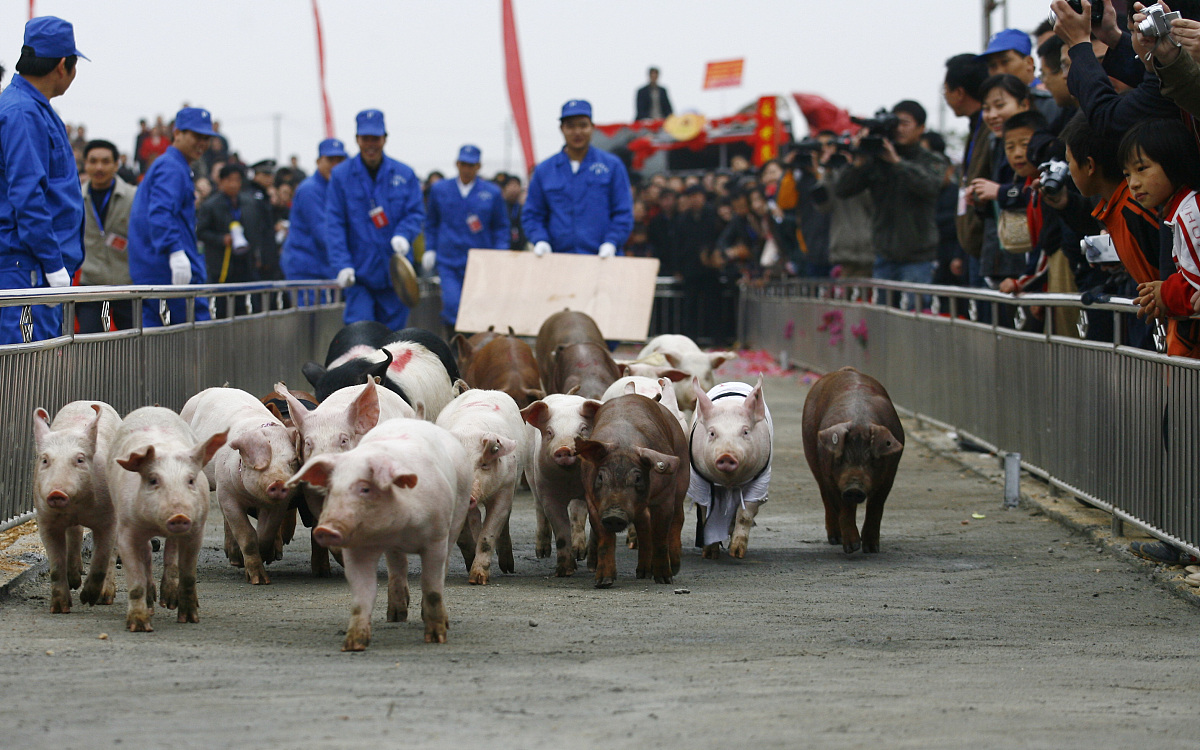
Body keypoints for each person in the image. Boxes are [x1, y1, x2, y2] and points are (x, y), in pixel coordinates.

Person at [0, 16, 87, 344]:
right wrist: (52, 262)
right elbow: (27, 195)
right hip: (28, 266)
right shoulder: (23, 112)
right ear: (63, 65)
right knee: (26, 376)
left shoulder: (32, 107)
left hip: (32, 263)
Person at [834, 100, 947, 299]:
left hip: (918, 257)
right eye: (896, 124)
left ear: (921, 128)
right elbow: (843, 190)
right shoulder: (876, 160)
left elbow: (930, 187)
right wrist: (859, 161)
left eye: (905, 123)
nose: (899, 129)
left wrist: (897, 162)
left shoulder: (931, 160)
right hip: (884, 255)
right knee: (884, 320)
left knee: (916, 315)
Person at [325, 109, 425, 329]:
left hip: (395, 275)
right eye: (365, 138)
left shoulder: (404, 174)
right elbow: (334, 223)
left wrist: (404, 235)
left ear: (385, 138)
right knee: (361, 337)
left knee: (394, 343)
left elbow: (415, 212)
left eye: (376, 138)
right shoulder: (341, 176)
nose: (371, 144)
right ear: (357, 139)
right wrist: (342, 265)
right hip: (359, 275)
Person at [127, 107, 214, 327]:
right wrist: (174, 250)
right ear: (177, 133)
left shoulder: (175, 166)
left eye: (206, 137)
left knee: (160, 344)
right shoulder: (171, 166)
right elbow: (160, 212)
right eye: (196, 136)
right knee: (188, 341)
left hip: (160, 268)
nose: (202, 143)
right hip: (166, 269)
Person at [523, 99, 633, 258]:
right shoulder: (544, 170)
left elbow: (623, 212)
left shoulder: (612, 166)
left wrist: (612, 242)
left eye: (583, 125)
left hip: (603, 259)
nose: (577, 132)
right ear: (562, 129)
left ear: (592, 128)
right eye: (570, 126)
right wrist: (540, 240)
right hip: (558, 260)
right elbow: (532, 214)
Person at [423, 145, 509, 332]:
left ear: (478, 166)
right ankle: (455, 344)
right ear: (457, 164)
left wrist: (500, 252)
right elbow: (431, 223)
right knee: (452, 303)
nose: (466, 169)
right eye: (463, 164)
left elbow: (501, 227)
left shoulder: (491, 193)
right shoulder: (440, 190)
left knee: (478, 306)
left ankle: (474, 346)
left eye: (471, 165)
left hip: (480, 261)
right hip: (449, 260)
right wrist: (429, 248)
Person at [196, 163, 274, 317]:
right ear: (221, 181)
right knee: (222, 308)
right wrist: (221, 239)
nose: (234, 184)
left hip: (246, 264)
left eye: (237, 180)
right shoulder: (211, 205)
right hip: (222, 266)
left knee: (247, 307)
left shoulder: (249, 203)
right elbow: (201, 232)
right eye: (229, 180)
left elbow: (258, 230)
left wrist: (257, 254)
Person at [78, 139, 137, 332]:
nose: (99, 167)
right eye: (93, 161)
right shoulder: (76, 197)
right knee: (90, 345)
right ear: (85, 164)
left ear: (116, 164)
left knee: (132, 345)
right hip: (90, 284)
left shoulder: (133, 197)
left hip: (127, 285)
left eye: (105, 161)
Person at [281, 138, 347, 304]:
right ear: (318, 161)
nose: (335, 165)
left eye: (340, 160)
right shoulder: (310, 189)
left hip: (324, 269)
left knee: (324, 323)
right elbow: (323, 232)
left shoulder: (336, 188)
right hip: (306, 270)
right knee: (311, 324)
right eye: (330, 160)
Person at [979, 28, 1060, 123]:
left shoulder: (1051, 102)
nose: (999, 71)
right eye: (992, 65)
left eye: (1005, 62)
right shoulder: (989, 111)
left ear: (1029, 63)